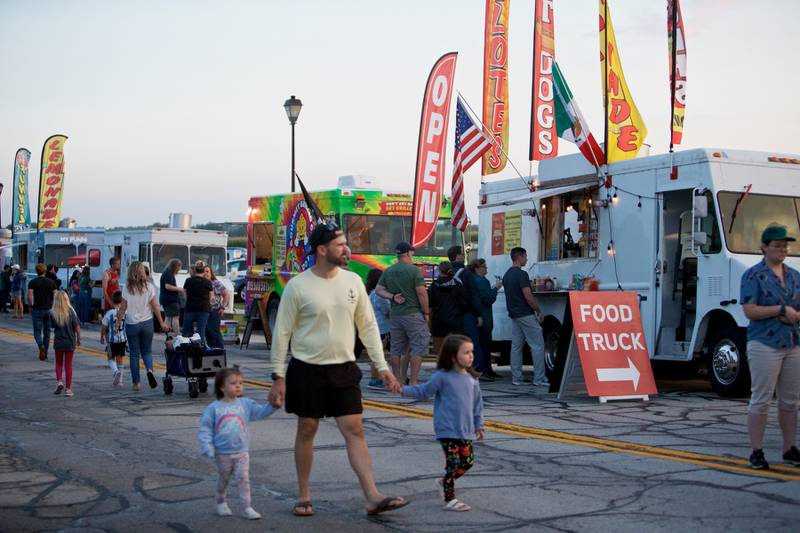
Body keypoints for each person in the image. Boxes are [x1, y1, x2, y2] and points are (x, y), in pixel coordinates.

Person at [268, 223, 407, 518]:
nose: (347, 249)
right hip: (307, 369)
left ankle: (372, 496)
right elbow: (281, 333)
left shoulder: (353, 281)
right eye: (341, 244)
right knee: (307, 428)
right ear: (322, 250)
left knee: (354, 429)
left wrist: (382, 367)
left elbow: (367, 326)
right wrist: (278, 376)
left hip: (344, 369)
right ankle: (304, 495)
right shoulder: (298, 286)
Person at [399, 334, 484, 511]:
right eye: (466, 352)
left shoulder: (472, 379)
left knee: (467, 462)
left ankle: (444, 481)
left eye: (472, 352)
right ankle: (450, 498)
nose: (471, 356)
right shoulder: (442, 377)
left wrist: (479, 425)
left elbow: (477, 405)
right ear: (453, 356)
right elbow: (423, 391)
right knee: (453, 464)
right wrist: (402, 389)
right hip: (447, 429)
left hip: (465, 430)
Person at [740, 225, 800, 470]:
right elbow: (749, 310)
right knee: (761, 398)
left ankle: (789, 448)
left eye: (785, 246)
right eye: (777, 246)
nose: (782, 250)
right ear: (764, 247)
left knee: (791, 401)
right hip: (764, 342)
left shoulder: (795, 275)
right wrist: (779, 310)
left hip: (793, 342)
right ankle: (756, 450)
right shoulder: (753, 276)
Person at [199, 367, 275, 520]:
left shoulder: (246, 404)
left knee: (243, 479)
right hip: (222, 453)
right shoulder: (214, 408)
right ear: (222, 387)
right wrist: (207, 446)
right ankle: (221, 501)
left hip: (242, 451)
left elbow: (260, 412)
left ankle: (247, 507)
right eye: (234, 383)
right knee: (224, 478)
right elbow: (205, 428)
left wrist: (273, 406)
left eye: (241, 382)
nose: (239, 386)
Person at [375, 242, 431, 386]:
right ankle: (413, 382)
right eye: (412, 252)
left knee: (396, 350)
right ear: (407, 253)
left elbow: (379, 290)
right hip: (413, 314)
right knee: (417, 348)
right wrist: (426, 312)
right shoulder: (414, 271)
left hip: (395, 315)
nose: (413, 255)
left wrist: (392, 296)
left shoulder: (388, 271)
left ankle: (398, 381)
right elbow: (421, 293)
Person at [117, 261, 170, 391]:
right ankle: (150, 371)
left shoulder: (127, 287)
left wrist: (118, 322)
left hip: (132, 324)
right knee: (147, 351)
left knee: (134, 353)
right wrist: (162, 322)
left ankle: (137, 383)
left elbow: (123, 307)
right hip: (147, 323)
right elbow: (155, 306)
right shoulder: (149, 286)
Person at [502, 247, 548, 387]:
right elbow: (528, 296)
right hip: (525, 313)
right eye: (525, 257)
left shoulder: (507, 275)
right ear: (520, 257)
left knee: (516, 347)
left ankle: (517, 378)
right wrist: (538, 310)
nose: (527, 259)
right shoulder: (522, 275)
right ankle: (539, 378)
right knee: (538, 345)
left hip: (514, 314)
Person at [449, 247, 490, 381]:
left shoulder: (445, 272)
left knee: (455, 343)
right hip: (467, 314)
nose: (464, 255)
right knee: (472, 343)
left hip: (451, 315)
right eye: (462, 253)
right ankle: (477, 370)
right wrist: (478, 314)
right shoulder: (466, 273)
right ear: (457, 256)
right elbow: (474, 296)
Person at [471, 258, 502, 379]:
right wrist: (496, 288)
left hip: (481, 315)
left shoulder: (477, 280)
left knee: (483, 344)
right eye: (484, 266)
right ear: (477, 268)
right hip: (484, 316)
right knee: (485, 345)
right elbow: (488, 298)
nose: (486, 269)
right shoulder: (481, 281)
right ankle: (485, 369)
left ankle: (487, 369)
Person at [428, 261, 466, 355]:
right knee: (454, 351)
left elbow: (429, 306)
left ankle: (442, 368)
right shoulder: (458, 284)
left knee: (440, 352)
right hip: (455, 323)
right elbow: (464, 303)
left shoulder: (434, 286)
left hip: (438, 323)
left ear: (439, 270)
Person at [50, 291, 80, 397]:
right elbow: (77, 327)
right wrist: (78, 339)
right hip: (69, 341)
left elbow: (52, 326)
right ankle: (68, 389)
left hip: (58, 341)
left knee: (58, 363)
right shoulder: (71, 312)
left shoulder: (53, 312)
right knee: (68, 365)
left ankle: (59, 382)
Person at [365, 267, 389, 389]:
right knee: (379, 354)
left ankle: (375, 378)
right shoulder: (379, 295)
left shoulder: (369, 294)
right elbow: (386, 310)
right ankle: (376, 379)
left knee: (375, 354)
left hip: (373, 327)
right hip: (382, 328)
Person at [27, 263, 57, 361]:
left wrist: (31, 306)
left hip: (37, 309)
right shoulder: (51, 282)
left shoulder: (32, 282)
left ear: (36, 271)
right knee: (47, 331)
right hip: (48, 309)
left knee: (37, 331)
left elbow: (30, 296)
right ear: (45, 271)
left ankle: (41, 346)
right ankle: (46, 351)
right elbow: (55, 296)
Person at [100, 290, 128, 387]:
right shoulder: (125, 312)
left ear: (112, 301)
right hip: (123, 339)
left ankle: (115, 372)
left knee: (110, 358)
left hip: (112, 340)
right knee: (120, 359)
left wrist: (102, 337)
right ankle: (120, 381)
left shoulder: (110, 313)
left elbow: (104, 326)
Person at [183, 261, 213, 339]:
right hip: (203, 309)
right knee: (200, 332)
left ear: (195, 270)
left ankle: (185, 348)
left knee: (186, 331)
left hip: (190, 308)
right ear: (203, 271)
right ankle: (200, 348)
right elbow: (211, 297)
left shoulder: (188, 280)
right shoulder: (207, 282)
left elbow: (184, 294)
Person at [205, 265, 230, 349]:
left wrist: (223, 307)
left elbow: (226, 294)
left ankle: (219, 349)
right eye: (204, 271)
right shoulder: (201, 282)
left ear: (211, 273)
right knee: (207, 332)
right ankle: (212, 349)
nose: (206, 273)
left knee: (214, 331)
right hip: (204, 311)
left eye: (207, 271)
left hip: (215, 311)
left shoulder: (216, 283)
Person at [160, 258, 184, 334]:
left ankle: (166, 332)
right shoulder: (168, 274)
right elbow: (168, 286)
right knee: (175, 317)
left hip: (165, 299)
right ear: (175, 266)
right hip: (170, 299)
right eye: (179, 267)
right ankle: (177, 334)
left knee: (168, 317)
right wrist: (179, 289)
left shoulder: (166, 272)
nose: (179, 270)